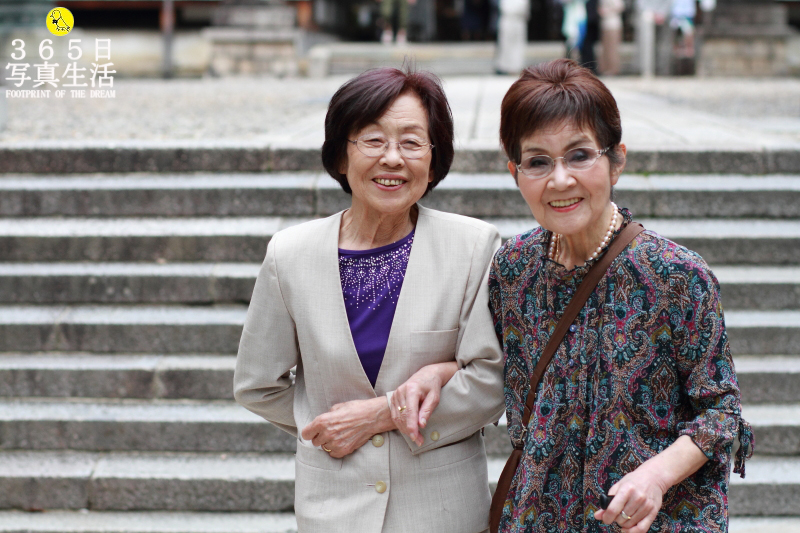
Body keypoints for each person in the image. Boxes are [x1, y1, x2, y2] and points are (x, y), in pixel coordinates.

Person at [234, 67, 505, 533]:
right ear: (341, 155)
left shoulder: (474, 247)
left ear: (434, 161)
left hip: (442, 512)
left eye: (412, 142)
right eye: (373, 140)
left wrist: (377, 418)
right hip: (333, 509)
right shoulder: (290, 255)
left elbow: (493, 381)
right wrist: (326, 426)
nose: (393, 159)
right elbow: (258, 384)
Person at [488, 58, 754, 532]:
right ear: (515, 173)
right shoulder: (512, 269)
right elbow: (488, 367)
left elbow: (722, 412)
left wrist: (655, 475)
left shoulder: (676, 274)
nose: (560, 180)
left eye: (579, 155)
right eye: (538, 162)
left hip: (650, 521)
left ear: (617, 160)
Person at [495, 0, 530, 75]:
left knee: (518, 45)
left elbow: (526, 9)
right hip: (508, 19)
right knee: (505, 44)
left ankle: (516, 67)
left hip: (519, 20)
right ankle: (503, 66)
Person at [598, 0, 624, 75]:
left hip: (614, 25)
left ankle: (613, 69)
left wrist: (607, 11)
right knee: (605, 48)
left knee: (612, 48)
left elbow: (620, 7)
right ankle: (605, 68)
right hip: (605, 24)